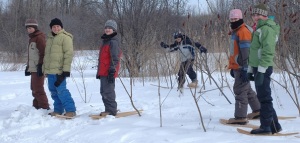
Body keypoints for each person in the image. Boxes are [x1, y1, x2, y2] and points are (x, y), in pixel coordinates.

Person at [248, 3, 281, 134]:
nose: (256, 17)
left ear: (265, 15)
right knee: (263, 96)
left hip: (263, 68)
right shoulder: (258, 29)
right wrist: (251, 70)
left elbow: (268, 51)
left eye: (258, 15)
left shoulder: (266, 29)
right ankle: (274, 126)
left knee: (264, 98)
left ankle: (266, 126)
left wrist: (261, 71)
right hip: (258, 67)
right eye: (254, 15)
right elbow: (255, 51)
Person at [226, 9, 261, 124]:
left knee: (240, 90)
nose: (233, 20)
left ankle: (240, 117)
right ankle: (258, 110)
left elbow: (246, 51)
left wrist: (246, 68)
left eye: (235, 19)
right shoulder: (236, 31)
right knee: (247, 90)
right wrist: (232, 66)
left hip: (242, 67)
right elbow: (235, 52)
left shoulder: (243, 31)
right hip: (238, 66)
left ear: (240, 19)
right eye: (232, 19)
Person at [43, 18, 76, 117]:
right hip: (50, 71)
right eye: (54, 27)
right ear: (51, 28)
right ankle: (58, 110)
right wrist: (45, 70)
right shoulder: (49, 38)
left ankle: (71, 110)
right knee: (53, 92)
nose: (56, 28)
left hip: (60, 71)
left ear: (61, 27)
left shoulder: (65, 37)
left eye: (58, 26)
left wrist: (66, 70)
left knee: (61, 91)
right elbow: (47, 56)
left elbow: (68, 54)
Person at [96, 19, 122, 116]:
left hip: (109, 71)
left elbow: (115, 58)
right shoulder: (105, 41)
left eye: (110, 28)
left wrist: (112, 70)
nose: (107, 30)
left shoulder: (113, 42)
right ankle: (108, 109)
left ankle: (111, 110)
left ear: (114, 30)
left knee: (108, 92)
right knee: (103, 91)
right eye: (106, 28)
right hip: (103, 71)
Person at [24, 19, 50, 110]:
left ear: (35, 28)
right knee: (33, 88)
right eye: (27, 28)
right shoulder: (32, 38)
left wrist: (40, 66)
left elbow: (43, 53)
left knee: (38, 88)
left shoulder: (39, 38)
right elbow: (32, 55)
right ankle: (36, 106)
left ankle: (44, 107)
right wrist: (28, 67)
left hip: (38, 67)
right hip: (33, 67)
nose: (29, 30)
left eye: (31, 28)